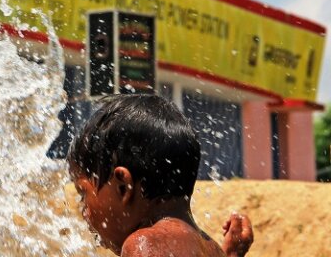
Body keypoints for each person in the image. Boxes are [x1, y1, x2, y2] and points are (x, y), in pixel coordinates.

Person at [67, 94, 254, 257]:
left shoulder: (145, 245)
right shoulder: (211, 248)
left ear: (124, 186)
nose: (83, 211)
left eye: (83, 193)